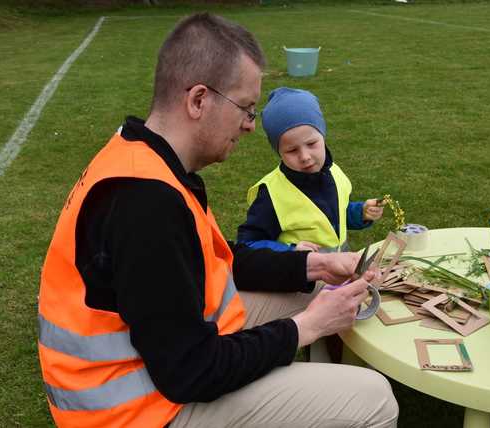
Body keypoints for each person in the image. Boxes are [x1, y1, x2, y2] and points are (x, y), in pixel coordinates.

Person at [37, 13, 398, 428]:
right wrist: (306, 328)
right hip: (134, 410)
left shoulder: (144, 155)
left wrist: (315, 265)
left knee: (315, 287)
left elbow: (212, 262)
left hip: (157, 363)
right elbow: (190, 371)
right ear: (198, 100)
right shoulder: (146, 203)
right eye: (245, 108)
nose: (249, 126)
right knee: (375, 399)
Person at [237, 87, 384, 253]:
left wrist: (360, 213)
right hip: (298, 275)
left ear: (323, 135)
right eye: (292, 150)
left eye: (312, 144)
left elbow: (333, 216)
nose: (305, 156)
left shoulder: (334, 172)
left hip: (339, 268)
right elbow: (248, 243)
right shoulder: (271, 195)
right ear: (279, 152)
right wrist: (289, 251)